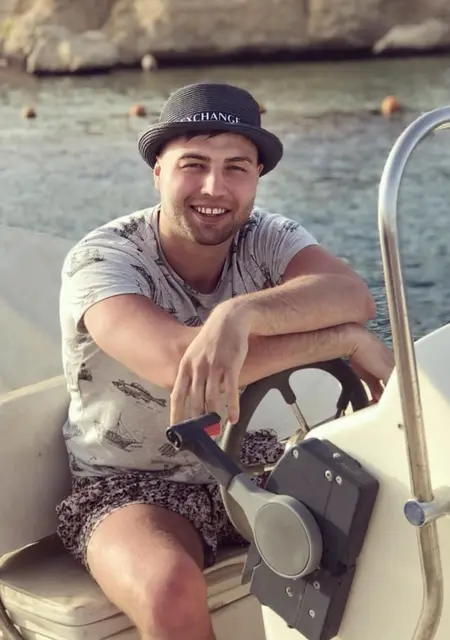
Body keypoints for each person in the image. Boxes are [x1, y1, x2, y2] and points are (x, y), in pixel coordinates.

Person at [56, 82, 394, 640]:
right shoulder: (103, 259)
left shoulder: (268, 237)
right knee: (169, 589)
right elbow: (177, 365)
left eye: (236, 168)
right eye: (193, 164)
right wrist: (341, 341)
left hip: (252, 459)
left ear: (256, 177)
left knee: (400, 523)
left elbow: (351, 295)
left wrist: (239, 314)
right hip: (129, 484)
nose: (214, 187)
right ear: (158, 172)